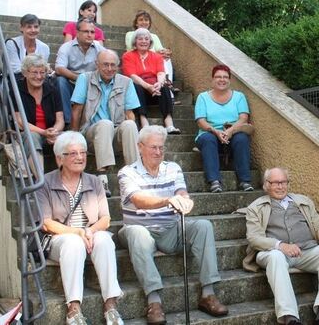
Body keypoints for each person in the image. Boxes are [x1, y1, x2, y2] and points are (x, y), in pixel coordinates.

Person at [118, 125, 228, 324]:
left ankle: (208, 293)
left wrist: (184, 200)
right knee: (137, 234)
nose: (158, 152)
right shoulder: (127, 172)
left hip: (170, 228)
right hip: (140, 229)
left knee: (203, 225)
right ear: (140, 147)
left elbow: (181, 192)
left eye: (161, 147)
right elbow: (139, 200)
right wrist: (167, 200)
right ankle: (154, 301)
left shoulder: (173, 168)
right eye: (153, 147)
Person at [36, 131, 123, 325]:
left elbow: (106, 219)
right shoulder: (46, 183)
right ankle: (73, 310)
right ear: (59, 158)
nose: (80, 157)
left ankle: (111, 306)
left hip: (89, 234)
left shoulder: (94, 181)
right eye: (73, 153)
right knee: (74, 243)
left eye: (83, 152)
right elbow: (46, 223)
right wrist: (78, 232)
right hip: (61, 238)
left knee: (105, 240)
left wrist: (90, 231)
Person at [243, 167, 319, 325]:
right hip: (272, 252)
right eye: (275, 183)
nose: (280, 186)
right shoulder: (256, 207)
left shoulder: (303, 202)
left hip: (306, 251)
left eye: (283, 182)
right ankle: (290, 316)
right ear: (266, 185)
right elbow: (253, 238)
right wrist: (280, 246)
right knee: (276, 257)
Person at [70, 49, 140, 196]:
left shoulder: (126, 82)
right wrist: (74, 138)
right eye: (105, 65)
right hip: (90, 134)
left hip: (114, 134)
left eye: (113, 65)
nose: (109, 69)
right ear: (97, 64)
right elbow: (77, 109)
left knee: (130, 124)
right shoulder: (85, 78)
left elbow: (130, 114)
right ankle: (102, 179)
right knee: (105, 123)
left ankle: (135, 176)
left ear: (118, 66)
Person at [194, 64, 253, 193]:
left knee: (242, 138)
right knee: (208, 139)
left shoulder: (239, 96)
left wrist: (229, 131)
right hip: (210, 133)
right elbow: (200, 121)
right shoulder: (203, 97)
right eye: (218, 77)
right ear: (212, 80)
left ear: (230, 80)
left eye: (225, 77)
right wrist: (216, 131)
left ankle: (245, 181)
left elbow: (243, 118)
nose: (222, 79)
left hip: (233, 133)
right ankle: (214, 181)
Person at [11, 54, 63, 175]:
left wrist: (53, 132)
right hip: (29, 133)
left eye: (42, 72)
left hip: (49, 133)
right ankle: (41, 181)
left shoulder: (52, 89)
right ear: (25, 73)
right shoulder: (17, 90)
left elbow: (60, 119)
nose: (39, 76)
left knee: (69, 139)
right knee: (33, 136)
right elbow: (20, 122)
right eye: (34, 72)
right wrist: (44, 132)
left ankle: (67, 180)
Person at [121, 28, 180, 134]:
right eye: (140, 39)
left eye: (146, 39)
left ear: (150, 42)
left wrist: (159, 84)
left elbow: (161, 73)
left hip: (155, 91)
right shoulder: (128, 56)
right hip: (140, 90)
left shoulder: (156, 56)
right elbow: (132, 75)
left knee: (165, 87)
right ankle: (144, 122)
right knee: (135, 86)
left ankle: (169, 123)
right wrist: (148, 86)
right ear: (135, 41)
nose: (144, 41)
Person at [55, 18, 105, 124]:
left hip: (91, 85)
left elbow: (107, 64)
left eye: (92, 32)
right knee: (60, 81)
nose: (90, 35)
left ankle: (97, 121)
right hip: (71, 83)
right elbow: (59, 68)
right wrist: (80, 79)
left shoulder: (99, 48)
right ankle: (68, 121)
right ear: (77, 33)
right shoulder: (66, 47)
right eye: (86, 31)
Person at [124, 10, 175, 85]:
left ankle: (167, 82)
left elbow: (160, 49)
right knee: (160, 57)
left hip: (153, 60)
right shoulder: (131, 34)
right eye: (141, 20)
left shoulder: (154, 36)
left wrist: (165, 52)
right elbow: (132, 47)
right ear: (136, 23)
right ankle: (164, 82)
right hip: (137, 59)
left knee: (166, 58)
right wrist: (158, 54)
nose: (144, 22)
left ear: (149, 23)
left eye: (146, 20)